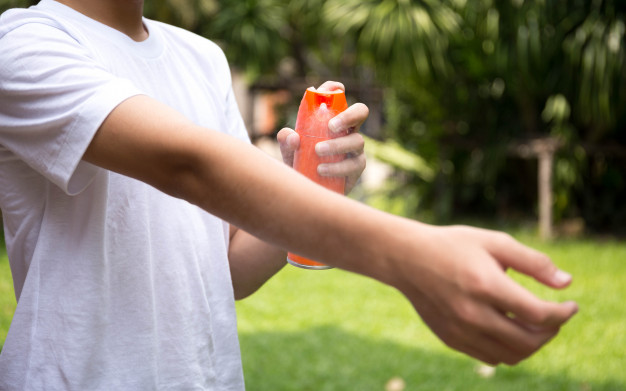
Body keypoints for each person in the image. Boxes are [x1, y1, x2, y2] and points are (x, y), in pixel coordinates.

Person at [0, 0, 578, 390]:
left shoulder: (201, 59)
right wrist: (412, 256)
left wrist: (313, 181)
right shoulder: (22, 44)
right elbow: (189, 165)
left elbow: (227, 270)